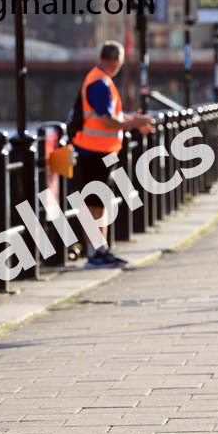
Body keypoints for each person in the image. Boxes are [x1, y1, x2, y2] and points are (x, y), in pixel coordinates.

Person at [72, 40, 154, 267]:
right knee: (93, 203)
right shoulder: (100, 83)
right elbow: (107, 121)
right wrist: (134, 122)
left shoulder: (100, 80)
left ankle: (101, 249)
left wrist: (131, 121)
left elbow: (109, 118)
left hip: (100, 150)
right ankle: (95, 252)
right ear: (117, 61)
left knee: (100, 202)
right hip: (93, 151)